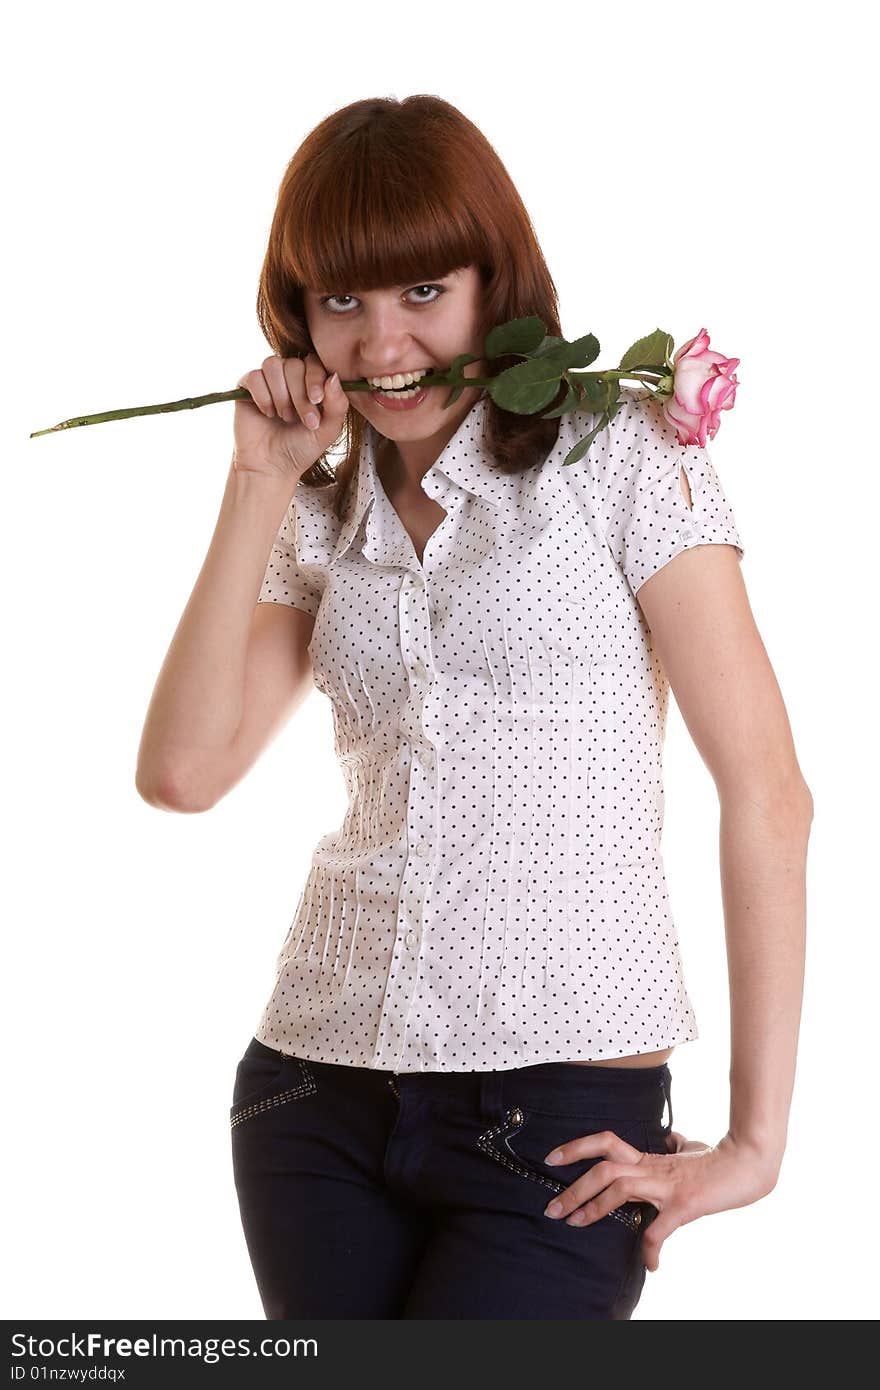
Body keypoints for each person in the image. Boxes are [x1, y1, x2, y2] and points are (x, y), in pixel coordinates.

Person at [135, 96, 813, 1320]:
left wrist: (754, 1138)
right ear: (295, 317)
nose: (381, 345)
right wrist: (255, 481)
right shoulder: (313, 515)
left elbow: (767, 789)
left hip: (557, 1128)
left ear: (493, 284)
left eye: (420, 293)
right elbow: (183, 772)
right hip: (312, 1095)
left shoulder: (623, 456)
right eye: (339, 303)